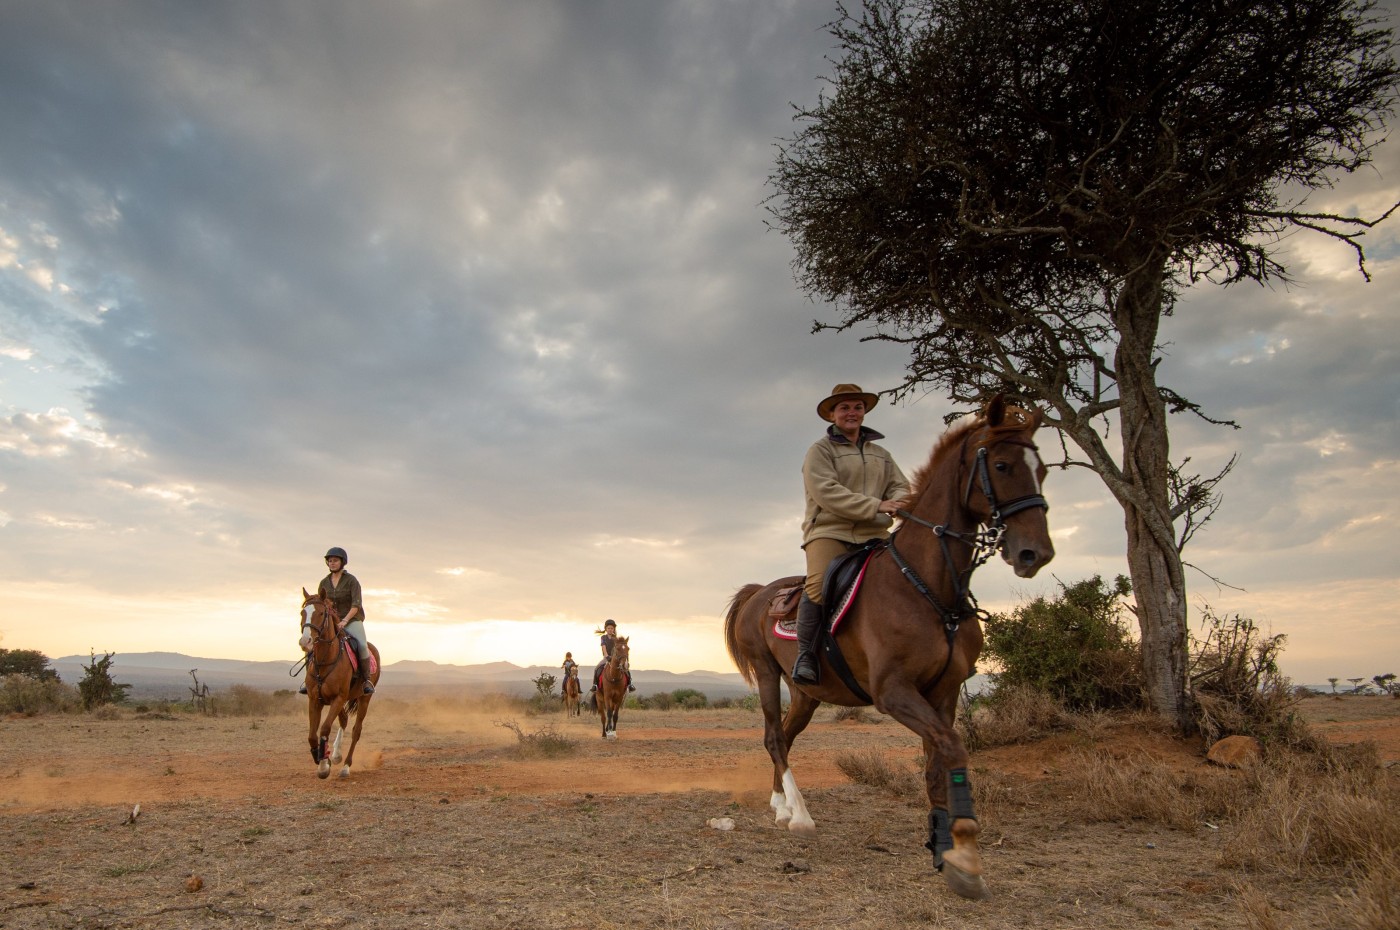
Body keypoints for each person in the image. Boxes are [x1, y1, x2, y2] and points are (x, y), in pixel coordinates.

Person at [792, 384, 910, 686]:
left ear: (864, 411)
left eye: (857, 407)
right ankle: (806, 656)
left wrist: (898, 502)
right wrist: (877, 505)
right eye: (844, 408)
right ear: (832, 414)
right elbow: (827, 493)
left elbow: (900, 486)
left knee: (909, 576)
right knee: (818, 584)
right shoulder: (820, 451)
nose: (851, 413)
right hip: (829, 530)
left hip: (875, 533)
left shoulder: (881, 454)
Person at [311, 546, 375, 695]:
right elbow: (321, 603)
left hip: (352, 620)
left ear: (342, 562)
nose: (332, 563)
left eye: (335, 561)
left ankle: (366, 680)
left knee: (362, 645)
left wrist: (345, 620)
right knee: (314, 642)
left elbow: (356, 604)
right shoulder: (323, 583)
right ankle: (310, 680)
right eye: (330, 561)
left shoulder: (351, 581)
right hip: (331, 621)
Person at [589, 619, 635, 693]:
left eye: (611, 628)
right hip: (606, 657)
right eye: (608, 628)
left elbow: (619, 649)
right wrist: (607, 656)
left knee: (626, 668)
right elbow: (603, 646)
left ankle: (630, 684)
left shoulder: (616, 638)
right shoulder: (603, 637)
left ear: (614, 629)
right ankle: (595, 685)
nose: (610, 630)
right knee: (597, 668)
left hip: (616, 658)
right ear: (606, 629)